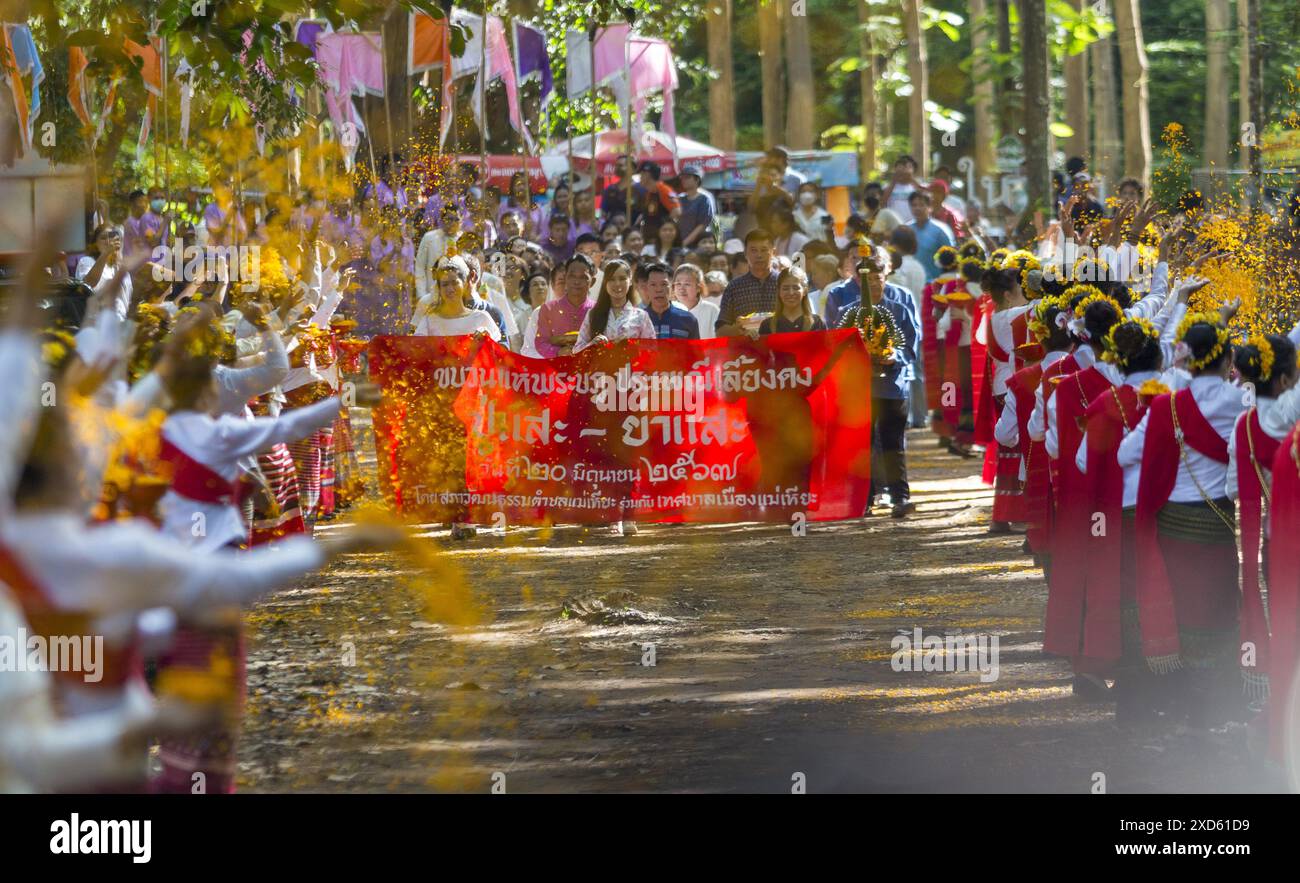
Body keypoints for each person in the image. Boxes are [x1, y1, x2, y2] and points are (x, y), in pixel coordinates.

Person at [1120, 313, 1246, 728]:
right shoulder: (1237, 403)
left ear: (1185, 360)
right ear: (1229, 358)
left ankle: (1180, 705)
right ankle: (1221, 706)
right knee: (1219, 610)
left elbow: (1125, 454)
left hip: (1172, 524)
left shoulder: (1167, 405)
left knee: (1179, 613)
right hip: (1217, 524)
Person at [838, 244, 921, 518]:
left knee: (892, 442)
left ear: (886, 278)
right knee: (862, 443)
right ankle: (865, 498)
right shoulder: (848, 313)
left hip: (893, 386)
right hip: (860, 388)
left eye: (878, 279)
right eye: (868, 280)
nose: (874, 284)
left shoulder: (899, 309)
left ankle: (900, 497)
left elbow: (911, 347)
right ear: (859, 280)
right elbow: (839, 349)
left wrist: (892, 356)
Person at [412, 256, 502, 340]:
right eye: (445, 284)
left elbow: (496, 353)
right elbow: (418, 350)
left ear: (464, 284)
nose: (450, 289)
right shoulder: (429, 321)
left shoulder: (481, 318)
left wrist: (487, 339)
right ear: (439, 288)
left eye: (455, 283)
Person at [575, 258, 655, 351]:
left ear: (630, 282)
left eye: (622, 279)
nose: (617, 284)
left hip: (629, 365)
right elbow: (576, 350)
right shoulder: (593, 314)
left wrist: (632, 345)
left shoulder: (641, 316)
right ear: (605, 283)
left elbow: (652, 351)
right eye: (612, 279)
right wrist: (592, 345)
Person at [716, 229, 779, 337]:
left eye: (764, 250)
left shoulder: (784, 283)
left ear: (773, 253)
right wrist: (739, 329)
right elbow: (720, 331)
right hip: (745, 351)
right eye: (753, 250)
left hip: (781, 347)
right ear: (745, 253)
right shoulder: (734, 287)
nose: (759, 255)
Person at [535, 254, 597, 357]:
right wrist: (558, 352)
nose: (576, 282)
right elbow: (541, 343)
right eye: (572, 276)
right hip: (557, 369)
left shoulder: (598, 310)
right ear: (566, 278)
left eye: (583, 277)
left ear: (593, 282)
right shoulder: (548, 309)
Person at [76, 224, 133, 322]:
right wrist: (105, 253)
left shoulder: (121, 269)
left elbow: (127, 301)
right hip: (96, 322)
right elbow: (88, 284)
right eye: (103, 238)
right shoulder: (87, 261)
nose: (108, 242)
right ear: (95, 243)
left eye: (111, 238)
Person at [413, 206, 462, 303]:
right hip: (431, 294)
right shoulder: (429, 238)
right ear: (442, 220)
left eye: (456, 219)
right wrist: (421, 294)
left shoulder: (463, 240)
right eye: (449, 219)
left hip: (455, 296)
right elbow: (419, 267)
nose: (452, 223)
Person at [639, 261, 699, 340]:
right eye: (653, 284)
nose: (659, 290)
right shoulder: (637, 320)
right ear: (646, 288)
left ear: (672, 287)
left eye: (664, 284)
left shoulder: (688, 320)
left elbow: (696, 352)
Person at [759, 267, 826, 335]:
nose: (791, 293)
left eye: (796, 288)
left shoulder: (817, 323)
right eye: (785, 288)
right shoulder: (767, 326)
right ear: (779, 291)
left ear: (805, 291)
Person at [908, 191, 956, 281]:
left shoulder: (941, 231)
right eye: (914, 205)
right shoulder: (906, 230)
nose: (917, 208)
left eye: (921, 205)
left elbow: (951, 260)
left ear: (930, 207)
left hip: (934, 285)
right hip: (911, 283)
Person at [672, 263, 718, 338]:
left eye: (687, 284)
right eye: (678, 284)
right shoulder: (668, 309)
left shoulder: (712, 310)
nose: (682, 288)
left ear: (698, 288)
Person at [601, 155, 648, 227]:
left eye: (620, 165)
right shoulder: (610, 189)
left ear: (632, 168)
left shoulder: (641, 189)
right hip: (613, 231)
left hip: (633, 230)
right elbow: (603, 213)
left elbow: (645, 212)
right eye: (616, 165)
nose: (617, 168)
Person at [676, 164, 716, 249]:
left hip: (698, 244)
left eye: (687, 177)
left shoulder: (704, 199)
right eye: (682, 178)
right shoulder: (680, 198)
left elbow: (702, 225)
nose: (683, 180)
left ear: (697, 179)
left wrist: (685, 242)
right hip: (680, 243)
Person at [883, 155, 923, 223]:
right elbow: (883, 201)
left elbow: (925, 198)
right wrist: (894, 181)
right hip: (894, 225)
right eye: (900, 166)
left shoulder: (918, 186)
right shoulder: (888, 186)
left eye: (908, 167)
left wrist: (911, 178)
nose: (903, 170)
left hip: (914, 225)